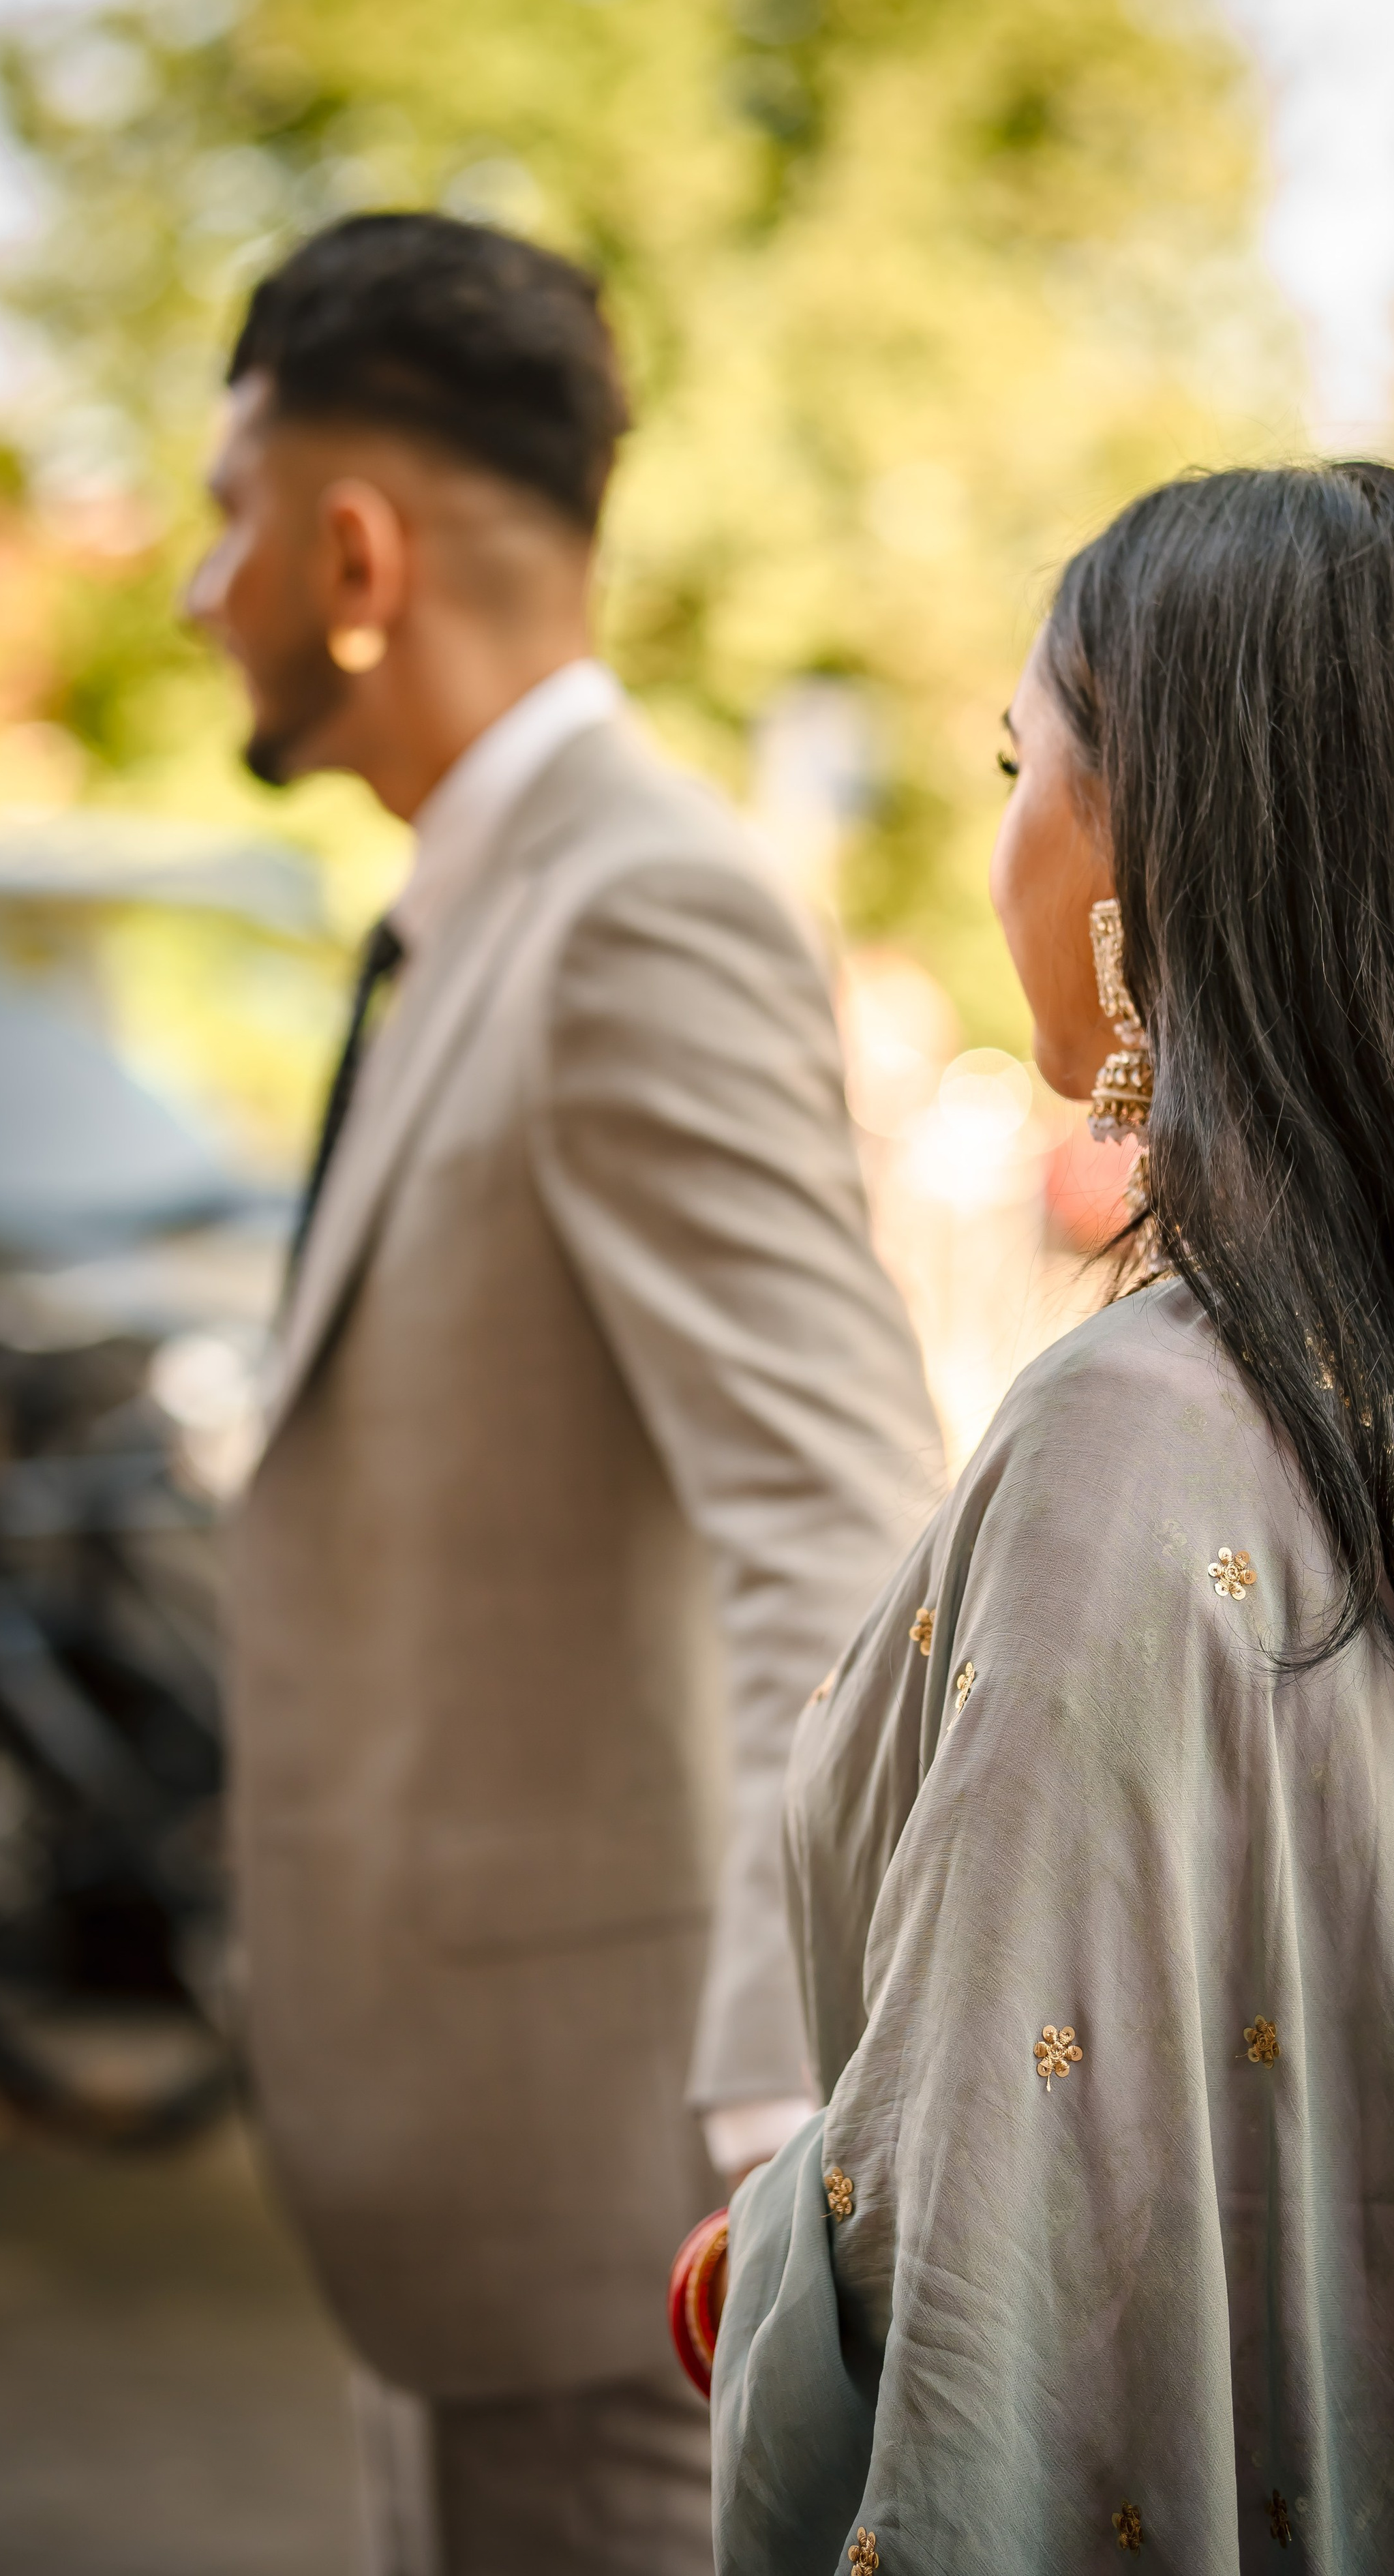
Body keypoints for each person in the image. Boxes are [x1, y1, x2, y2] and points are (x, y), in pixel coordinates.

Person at [708, 464, 1394, 2575]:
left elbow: (1002, 2297)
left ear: (1147, 849)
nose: (997, 845)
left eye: (1013, 765)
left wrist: (780, 2252)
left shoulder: (1138, 1444)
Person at [187, 211, 943, 2575]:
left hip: (622, 2238)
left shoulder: (637, 911)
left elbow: (845, 1533)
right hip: (469, 2208)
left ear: (353, 551)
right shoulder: (482, 906)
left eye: (225, 515)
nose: (194, 583)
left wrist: (767, 2148)